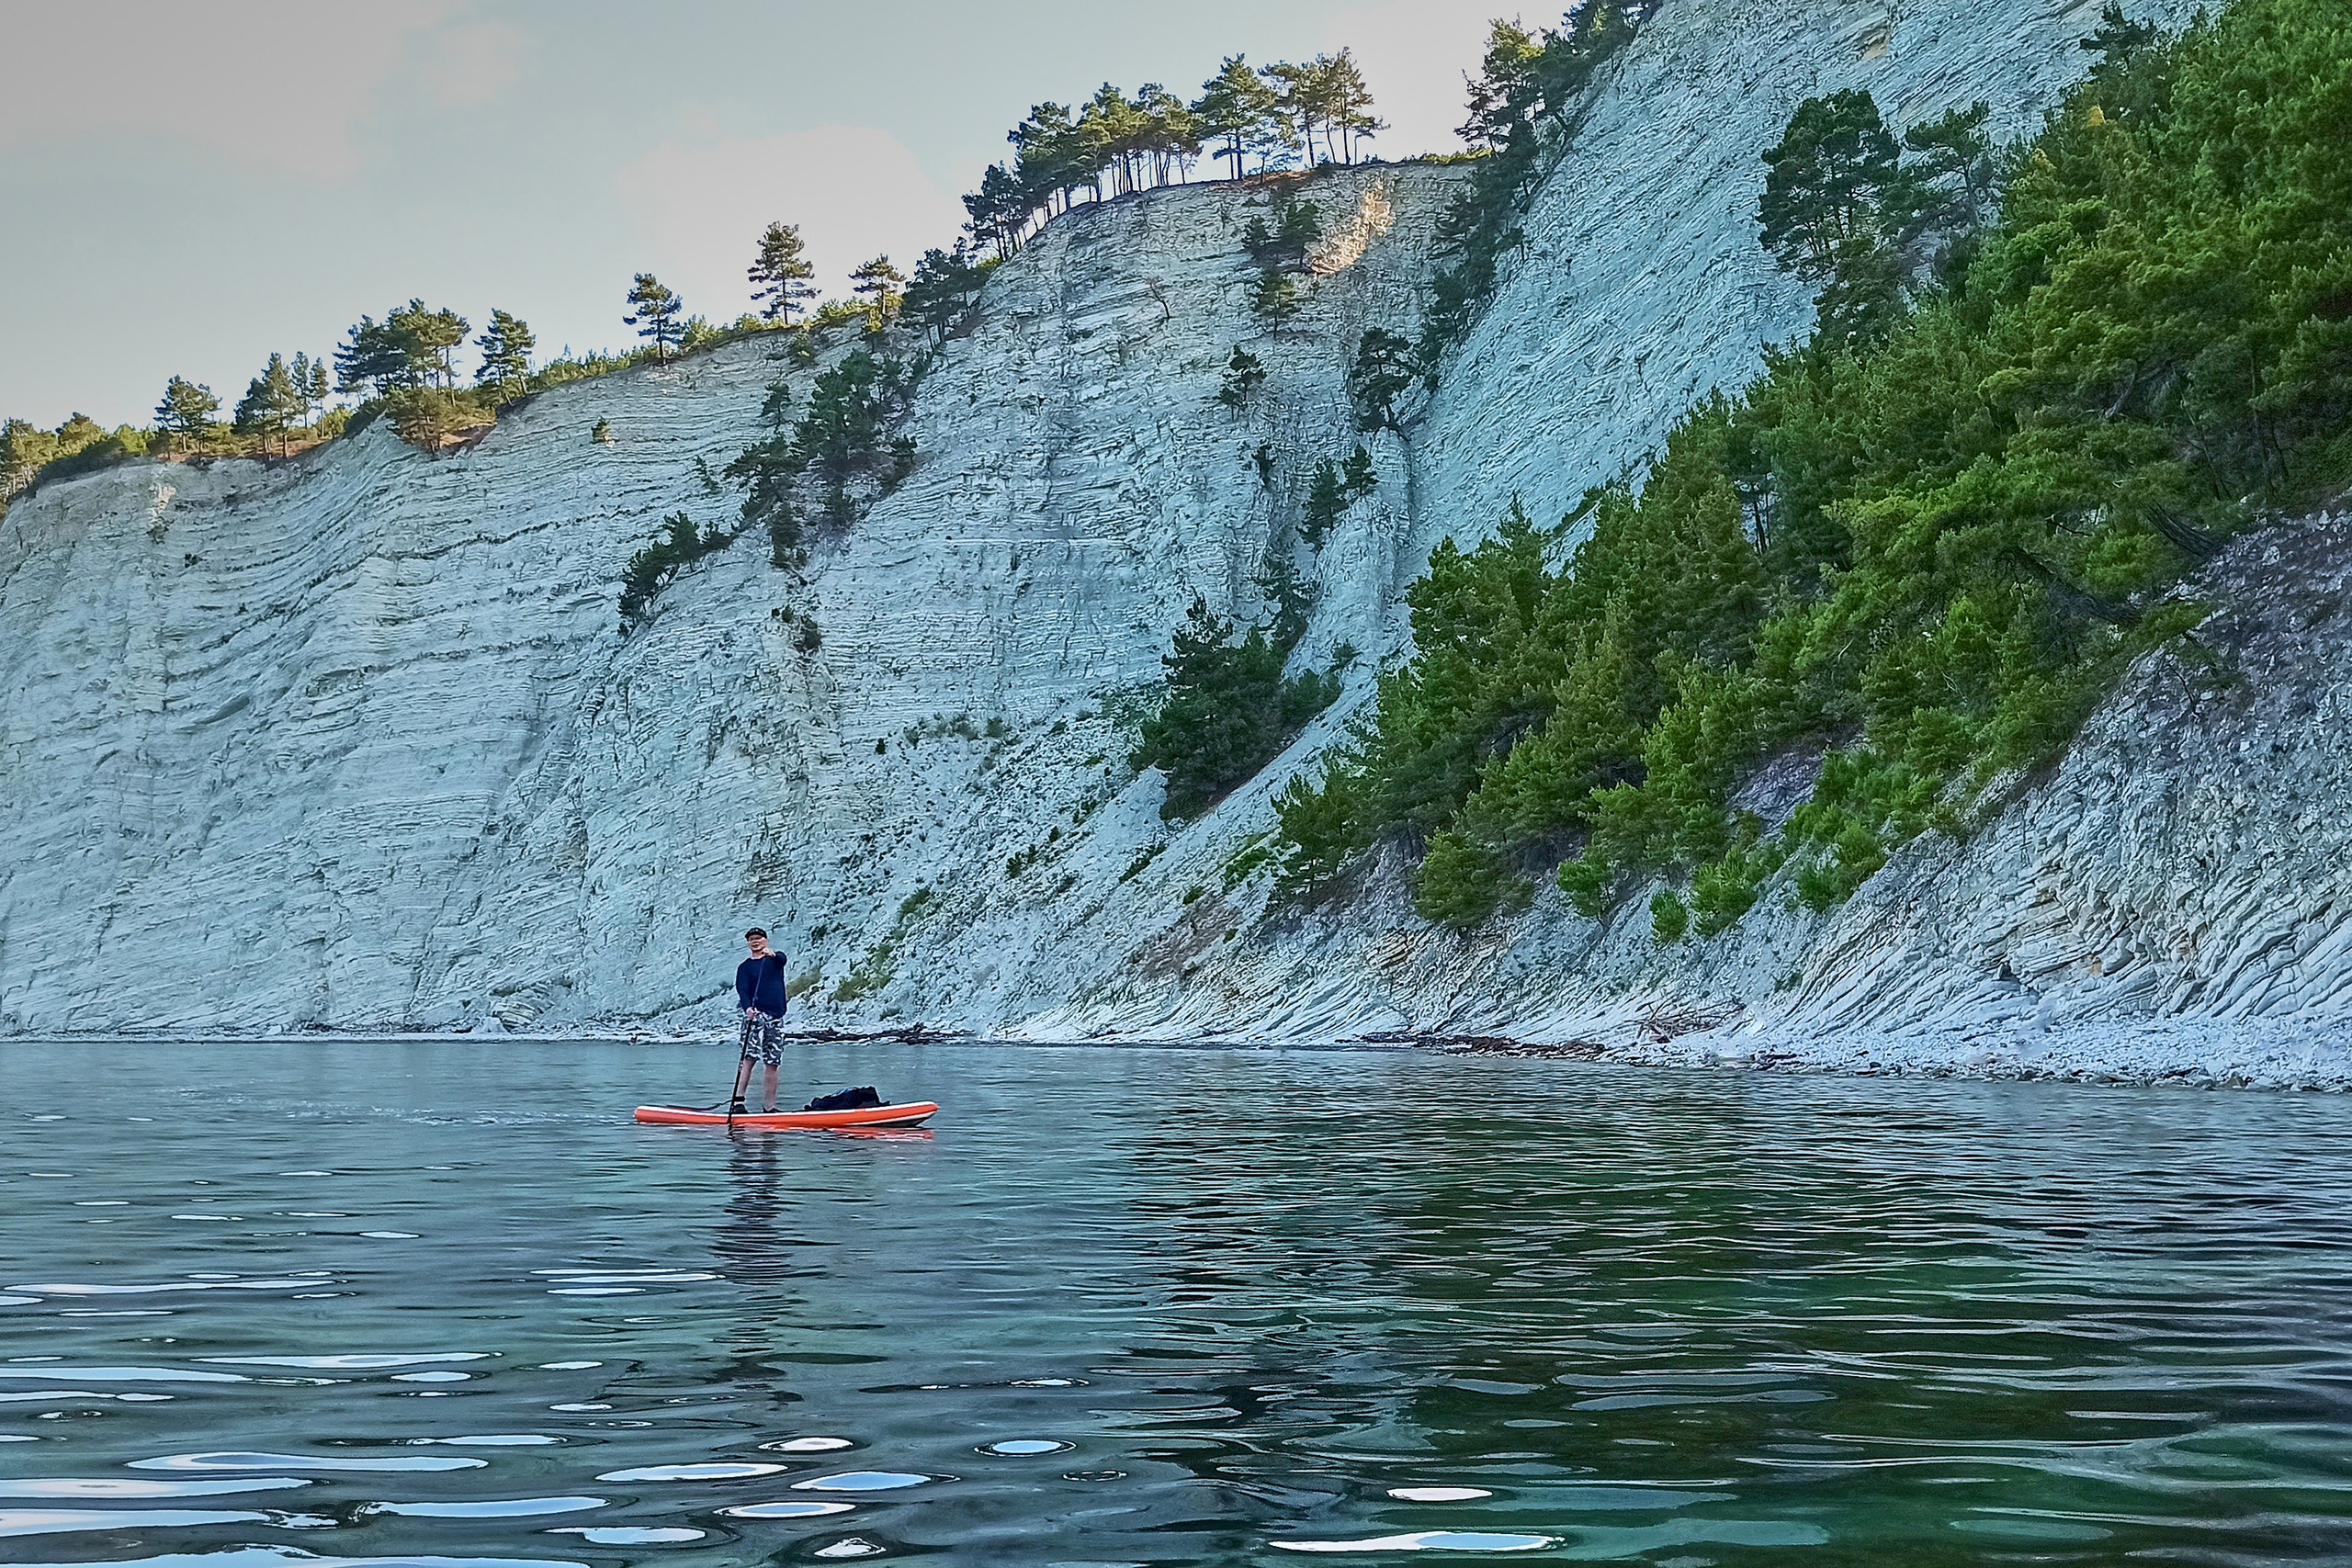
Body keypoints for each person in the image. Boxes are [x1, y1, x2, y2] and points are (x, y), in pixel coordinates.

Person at [731, 928, 791, 1114]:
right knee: (749, 1058)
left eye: (758, 938)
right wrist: (748, 1009)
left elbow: (782, 958)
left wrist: (771, 954)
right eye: (751, 939)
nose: (755, 941)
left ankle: (769, 1107)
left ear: (766, 940)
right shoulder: (744, 967)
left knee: (773, 1061)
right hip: (755, 1016)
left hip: (776, 1016)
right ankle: (738, 1102)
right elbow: (743, 990)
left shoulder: (775, 961)